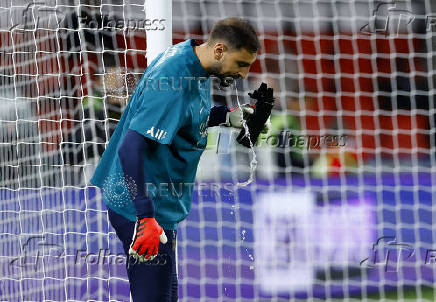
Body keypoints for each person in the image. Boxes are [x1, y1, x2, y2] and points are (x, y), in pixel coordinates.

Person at [90, 17, 272, 301]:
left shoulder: (191, 60)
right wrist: (145, 217)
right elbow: (130, 149)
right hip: (141, 205)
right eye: (241, 64)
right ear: (220, 50)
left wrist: (226, 116)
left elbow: (182, 117)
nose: (244, 73)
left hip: (157, 204)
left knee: (166, 294)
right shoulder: (175, 80)